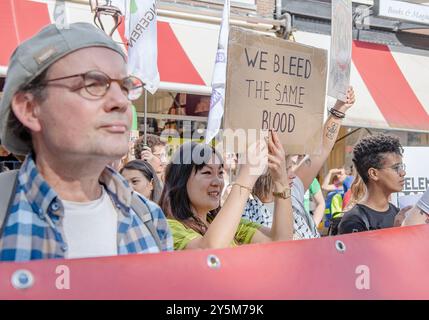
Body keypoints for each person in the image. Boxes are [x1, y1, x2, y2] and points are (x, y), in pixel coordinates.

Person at [0, 23, 173, 262]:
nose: (121, 102)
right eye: (93, 84)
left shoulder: (148, 218)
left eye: (124, 87)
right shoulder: (7, 212)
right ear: (30, 109)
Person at [159, 131, 294, 250]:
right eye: (207, 173)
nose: (217, 182)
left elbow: (280, 241)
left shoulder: (226, 223)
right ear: (181, 180)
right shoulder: (168, 227)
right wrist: (246, 177)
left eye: (220, 173)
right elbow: (211, 251)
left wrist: (280, 180)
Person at [286, 87, 356, 239]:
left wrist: (339, 109)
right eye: (286, 169)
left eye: (291, 166)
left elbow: (322, 149)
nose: (293, 174)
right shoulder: (253, 209)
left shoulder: (294, 188)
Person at [338, 134, 407, 234]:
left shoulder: (397, 212)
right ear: (374, 173)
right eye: (396, 168)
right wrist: (396, 232)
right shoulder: (353, 221)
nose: (403, 173)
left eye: (402, 167)